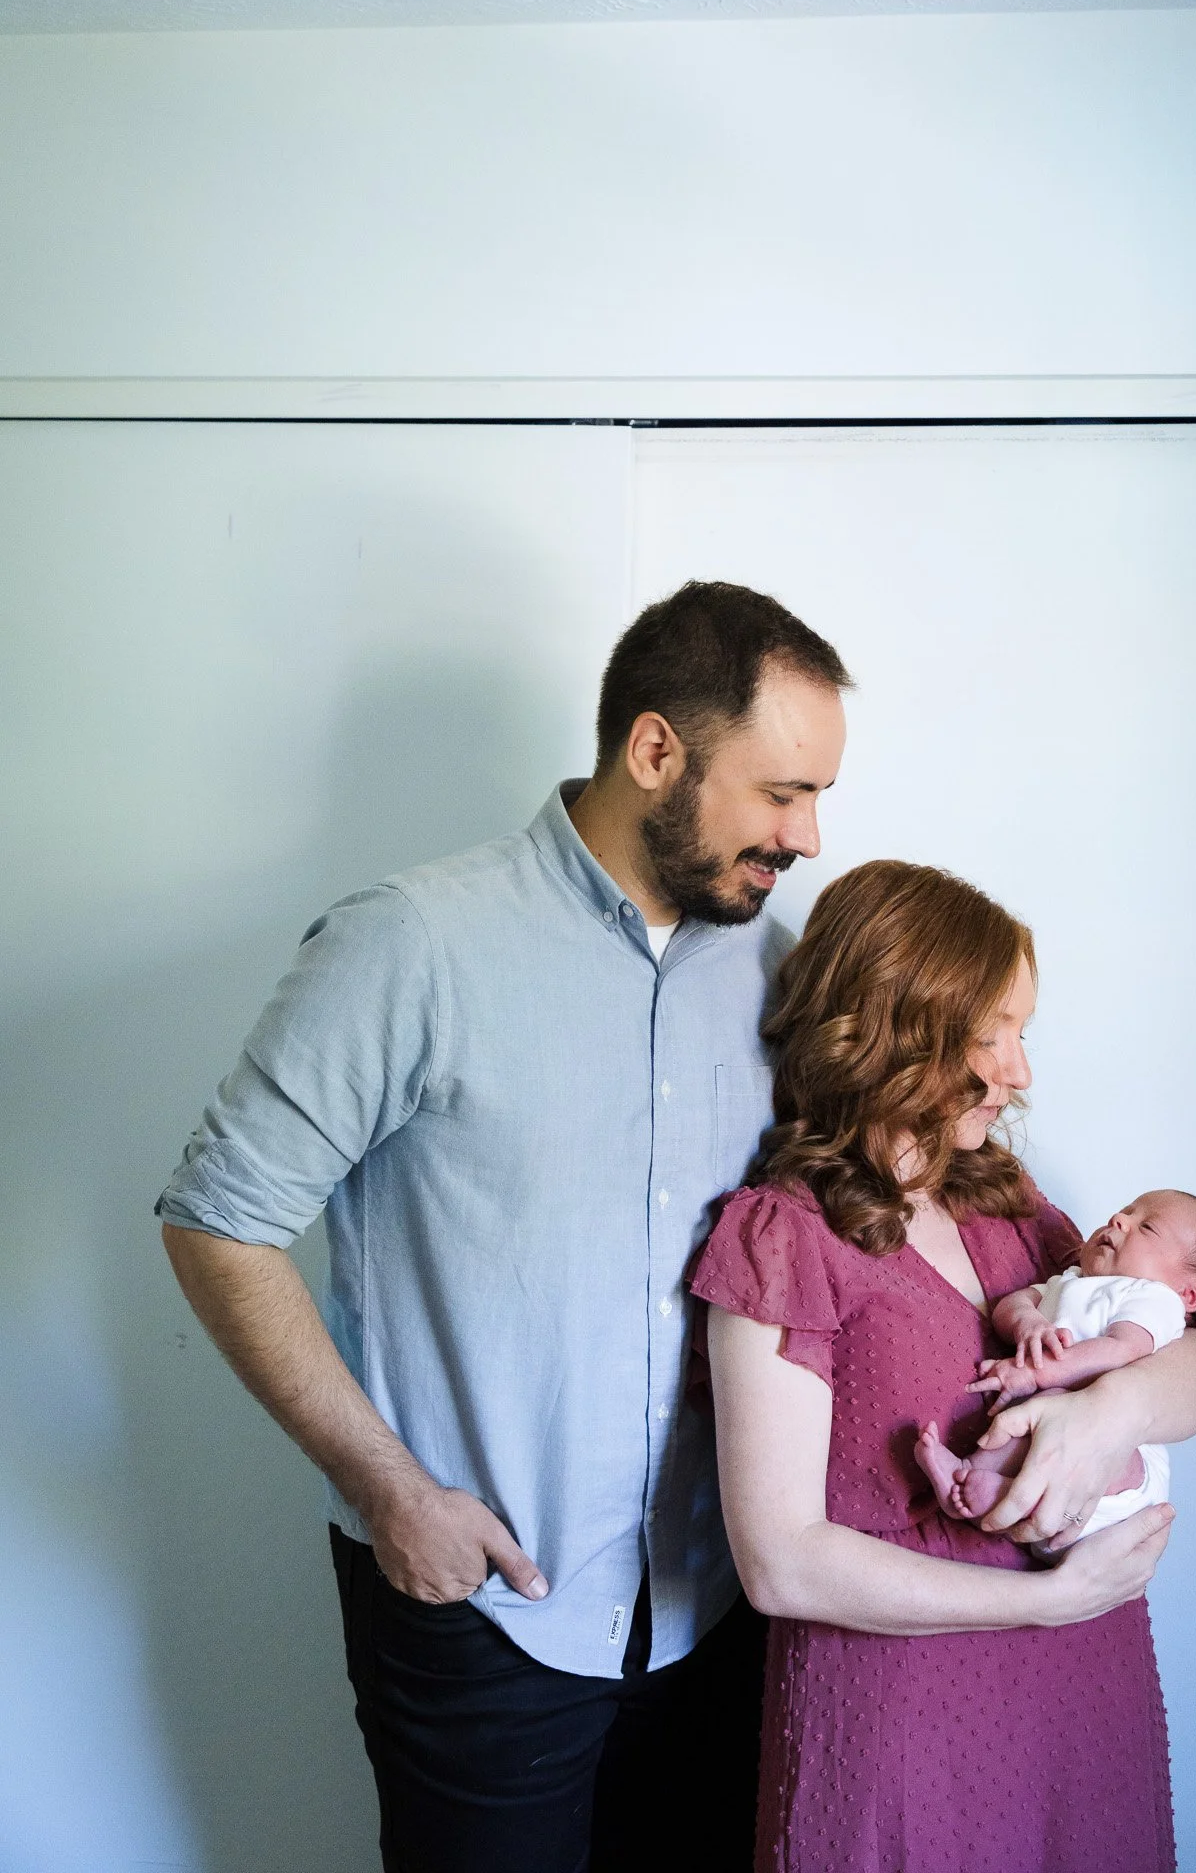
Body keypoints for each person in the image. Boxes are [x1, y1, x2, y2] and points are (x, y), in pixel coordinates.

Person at [156, 579, 852, 1873]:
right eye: (780, 792)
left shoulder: (783, 970)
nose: (807, 834)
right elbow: (216, 1221)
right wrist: (389, 1494)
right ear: (656, 752)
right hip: (482, 1615)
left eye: (818, 797)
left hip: (714, 1614)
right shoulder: (411, 946)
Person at [691, 860, 1196, 1873]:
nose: (1020, 1070)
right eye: (995, 1035)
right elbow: (780, 1559)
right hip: (905, 1712)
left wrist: (1109, 1414)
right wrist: (1038, 1600)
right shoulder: (784, 1235)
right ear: (902, 1029)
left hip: (1083, 1687)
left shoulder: (1006, 1198)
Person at [917, 1189, 1196, 1537]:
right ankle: (975, 1480)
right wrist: (1027, 1322)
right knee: (1037, 1416)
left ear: (1190, 1294)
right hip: (1057, 1443)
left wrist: (1036, 1371)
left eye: (1147, 1227)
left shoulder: (1153, 1299)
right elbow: (1012, 1304)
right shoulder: (1071, 1279)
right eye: (1125, 1210)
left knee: (1052, 1404)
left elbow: (1121, 1350)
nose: (1118, 1220)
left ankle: (979, 1482)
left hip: (1122, 1477)